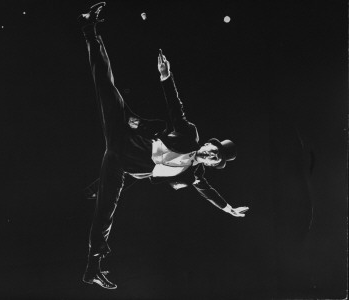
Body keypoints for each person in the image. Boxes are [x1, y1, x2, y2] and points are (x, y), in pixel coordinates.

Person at [79, 2, 249, 289]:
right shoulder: (189, 134)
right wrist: (166, 76)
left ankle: (92, 269)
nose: (209, 153)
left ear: (211, 163)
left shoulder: (194, 175)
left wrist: (228, 208)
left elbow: (208, 192)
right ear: (209, 143)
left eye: (213, 157)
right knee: (106, 85)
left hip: (121, 164)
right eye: (212, 148)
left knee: (105, 213)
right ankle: (89, 25)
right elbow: (176, 108)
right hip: (125, 135)